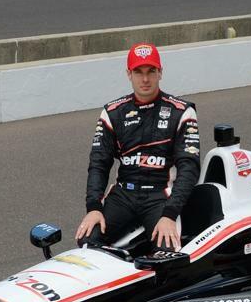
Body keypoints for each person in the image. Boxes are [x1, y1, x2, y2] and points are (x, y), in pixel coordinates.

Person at [76, 43, 201, 251]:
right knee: (88, 239)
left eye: (151, 71)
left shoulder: (182, 112)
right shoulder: (112, 112)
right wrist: (94, 207)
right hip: (123, 194)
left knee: (167, 251)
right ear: (128, 74)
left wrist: (170, 214)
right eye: (138, 72)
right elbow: (99, 163)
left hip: (161, 196)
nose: (145, 79)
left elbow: (189, 168)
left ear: (160, 72)